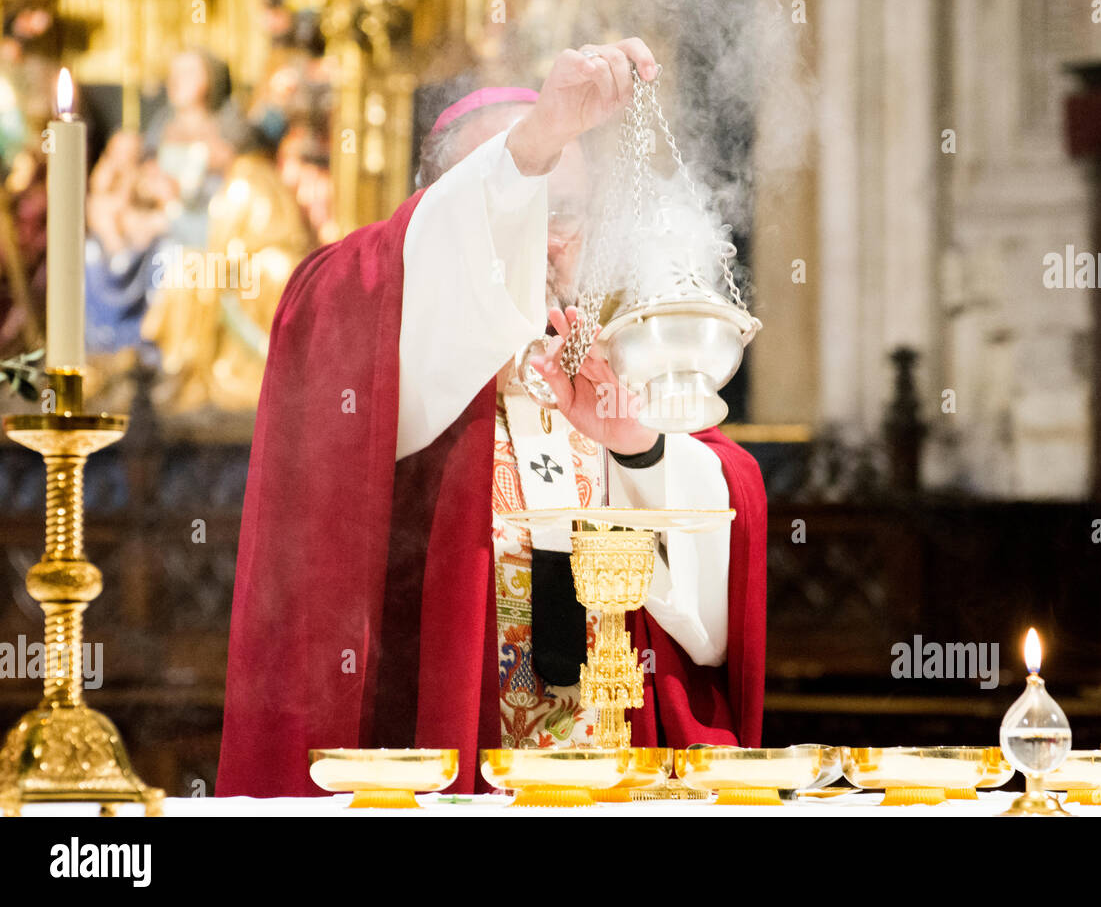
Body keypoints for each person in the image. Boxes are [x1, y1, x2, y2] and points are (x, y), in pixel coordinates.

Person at [216, 39, 767, 797]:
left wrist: (638, 447)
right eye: (514, 204)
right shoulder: (377, 323)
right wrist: (537, 140)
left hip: (617, 782)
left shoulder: (615, 361)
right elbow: (408, 274)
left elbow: (709, 622)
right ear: (436, 215)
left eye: (564, 212)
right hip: (448, 771)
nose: (541, 238)